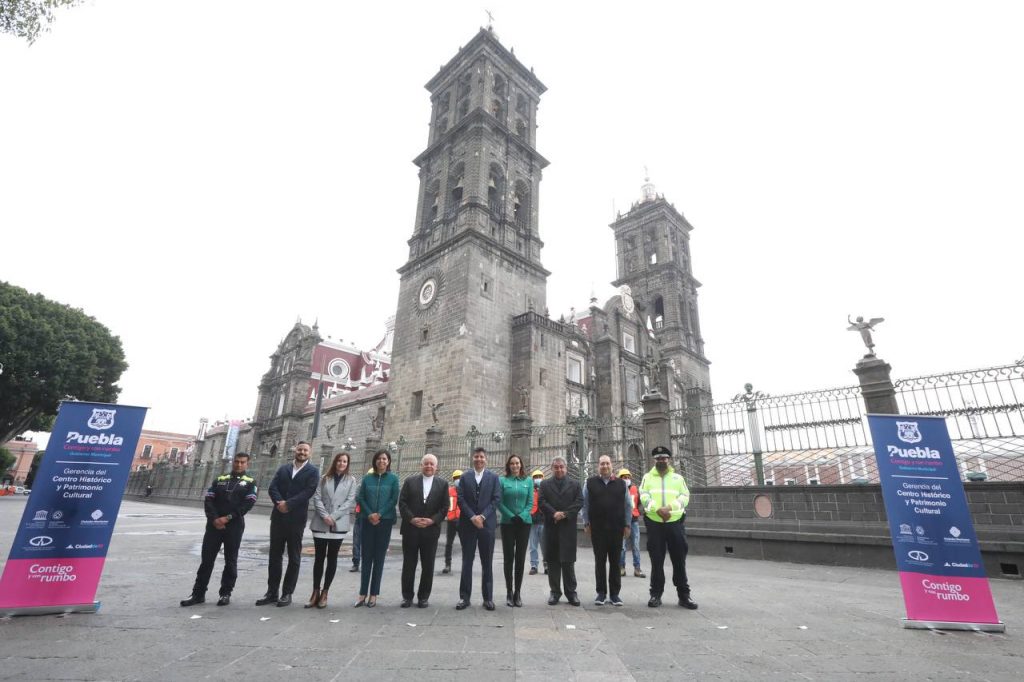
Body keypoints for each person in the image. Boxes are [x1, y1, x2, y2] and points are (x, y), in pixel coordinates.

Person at [180, 452, 258, 607]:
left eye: (243, 462)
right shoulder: (220, 479)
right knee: (206, 560)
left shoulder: (251, 482)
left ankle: (225, 593)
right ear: (233, 462)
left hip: (234, 525)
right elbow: (209, 499)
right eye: (237, 462)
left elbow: (247, 505)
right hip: (213, 525)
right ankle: (198, 593)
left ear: (247, 464)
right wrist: (215, 519)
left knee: (231, 561)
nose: (239, 465)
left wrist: (227, 518)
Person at [257, 442, 319, 607]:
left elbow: (308, 492)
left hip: (296, 520)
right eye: (299, 449)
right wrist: (279, 502)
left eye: (305, 450)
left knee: (294, 557)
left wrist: (288, 504)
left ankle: (287, 593)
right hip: (278, 517)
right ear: (295, 451)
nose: (302, 452)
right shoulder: (283, 469)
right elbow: (273, 487)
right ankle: (271, 592)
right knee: (274, 556)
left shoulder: (313, 471)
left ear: (310, 453)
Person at [639, 445, 697, 609]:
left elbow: (685, 496)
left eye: (664, 458)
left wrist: (669, 508)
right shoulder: (647, 478)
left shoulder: (678, 479)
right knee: (656, 561)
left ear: (669, 459)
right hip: (655, 523)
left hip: (674, 523)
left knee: (679, 560)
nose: (661, 461)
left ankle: (684, 595)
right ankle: (655, 595)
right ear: (654, 460)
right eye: (658, 459)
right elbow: (644, 496)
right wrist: (656, 508)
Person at [306, 451, 357, 609]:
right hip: (321, 523)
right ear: (334, 462)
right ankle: (315, 591)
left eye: (345, 461)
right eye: (339, 461)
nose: (342, 464)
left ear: (348, 464)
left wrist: (333, 517)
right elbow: (317, 498)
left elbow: (350, 501)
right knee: (319, 558)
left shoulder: (351, 480)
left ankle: (325, 592)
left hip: (337, 524)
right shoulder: (324, 478)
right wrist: (325, 516)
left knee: (332, 558)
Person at [398, 454, 449, 608]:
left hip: (430, 531)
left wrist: (432, 520)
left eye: (432, 464)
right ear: (421, 465)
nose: (429, 466)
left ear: (436, 467)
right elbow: (402, 503)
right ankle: (407, 596)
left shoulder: (443, 484)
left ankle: (423, 597)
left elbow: (445, 507)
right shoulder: (409, 481)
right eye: (426, 464)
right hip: (410, 529)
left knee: (428, 566)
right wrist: (412, 519)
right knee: (409, 564)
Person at [455, 446, 501, 611]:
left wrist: (482, 516)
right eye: (476, 457)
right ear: (472, 458)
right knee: (467, 561)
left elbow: (496, 499)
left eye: (482, 456)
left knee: (486, 562)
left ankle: (488, 598)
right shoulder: (465, 477)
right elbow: (460, 499)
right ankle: (464, 597)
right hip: (468, 525)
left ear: (485, 459)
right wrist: (472, 516)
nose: (479, 459)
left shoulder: (494, 477)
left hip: (486, 525)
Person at [582, 455, 632, 606]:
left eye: (607, 463)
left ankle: (615, 594)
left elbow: (628, 505)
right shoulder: (589, 483)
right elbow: (585, 504)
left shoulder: (621, 484)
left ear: (612, 466)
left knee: (615, 562)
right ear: (598, 466)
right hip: (597, 529)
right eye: (602, 463)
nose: (604, 466)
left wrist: (627, 525)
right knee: (600, 561)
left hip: (617, 529)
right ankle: (601, 593)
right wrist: (586, 523)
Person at [354, 450, 399, 607]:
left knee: (379, 559)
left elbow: (394, 499)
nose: (382, 461)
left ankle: (374, 594)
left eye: (385, 459)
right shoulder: (367, 479)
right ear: (375, 461)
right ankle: (362, 593)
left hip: (384, 522)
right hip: (367, 521)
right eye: (379, 459)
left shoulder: (393, 479)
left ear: (388, 462)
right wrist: (369, 514)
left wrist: (379, 514)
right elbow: (361, 498)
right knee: (366, 558)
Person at [538, 456, 583, 606]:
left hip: (567, 527)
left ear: (566, 468)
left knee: (568, 562)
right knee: (552, 562)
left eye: (561, 467)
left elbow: (579, 502)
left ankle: (571, 593)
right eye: (556, 467)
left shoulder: (575, 484)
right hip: (551, 527)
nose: (559, 469)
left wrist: (564, 514)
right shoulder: (544, 484)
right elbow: (541, 502)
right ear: (552, 469)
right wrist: (554, 513)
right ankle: (555, 592)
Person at [498, 454, 532, 607]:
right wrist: (511, 516)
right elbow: (499, 502)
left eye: (517, 463)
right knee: (508, 558)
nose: (515, 466)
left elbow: (530, 502)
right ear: (508, 466)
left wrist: (522, 516)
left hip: (524, 524)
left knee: (520, 559)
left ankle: (518, 592)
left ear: (521, 465)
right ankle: (509, 591)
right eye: (512, 463)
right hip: (508, 523)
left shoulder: (528, 481)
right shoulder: (502, 481)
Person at [618, 469, 645, 579]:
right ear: (620, 479)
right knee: (622, 547)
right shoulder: (617, 489)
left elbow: (638, 503)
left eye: (628, 477)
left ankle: (637, 569)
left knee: (636, 545)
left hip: (633, 521)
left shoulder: (635, 489)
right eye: (624, 477)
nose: (627, 479)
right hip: (621, 521)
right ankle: (621, 568)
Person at [349, 468, 373, 574]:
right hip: (361, 517)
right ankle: (356, 563)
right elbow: (358, 497)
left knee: (370, 542)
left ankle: (367, 563)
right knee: (357, 541)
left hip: (373, 518)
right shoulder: (361, 485)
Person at [441, 469, 462, 574]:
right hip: (451, 520)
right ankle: (447, 564)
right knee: (449, 543)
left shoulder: (466, 491)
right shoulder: (449, 491)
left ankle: (466, 565)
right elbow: (444, 504)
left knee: (466, 544)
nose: (457, 480)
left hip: (463, 521)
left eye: (459, 478)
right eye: (456, 478)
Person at [528, 470, 547, 575]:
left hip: (544, 521)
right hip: (533, 521)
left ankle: (546, 565)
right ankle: (534, 566)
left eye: (540, 476)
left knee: (545, 546)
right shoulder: (530, 490)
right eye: (536, 476)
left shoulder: (546, 490)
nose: (538, 478)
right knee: (533, 546)